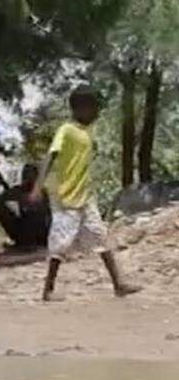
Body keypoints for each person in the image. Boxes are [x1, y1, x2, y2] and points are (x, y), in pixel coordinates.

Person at [30, 88, 141, 302]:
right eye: (94, 108)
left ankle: (119, 284)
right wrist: (37, 187)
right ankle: (48, 289)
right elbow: (50, 157)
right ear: (81, 108)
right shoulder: (66, 130)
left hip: (84, 195)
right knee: (60, 244)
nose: (97, 113)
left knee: (101, 237)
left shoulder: (86, 131)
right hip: (66, 197)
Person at [0, 164, 51, 249]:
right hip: (33, 234)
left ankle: (25, 241)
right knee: (1, 209)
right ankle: (23, 241)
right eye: (27, 174)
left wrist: (0, 184)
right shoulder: (18, 191)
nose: (29, 177)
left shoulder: (39, 192)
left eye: (30, 174)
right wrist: (0, 184)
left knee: (1, 209)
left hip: (37, 234)